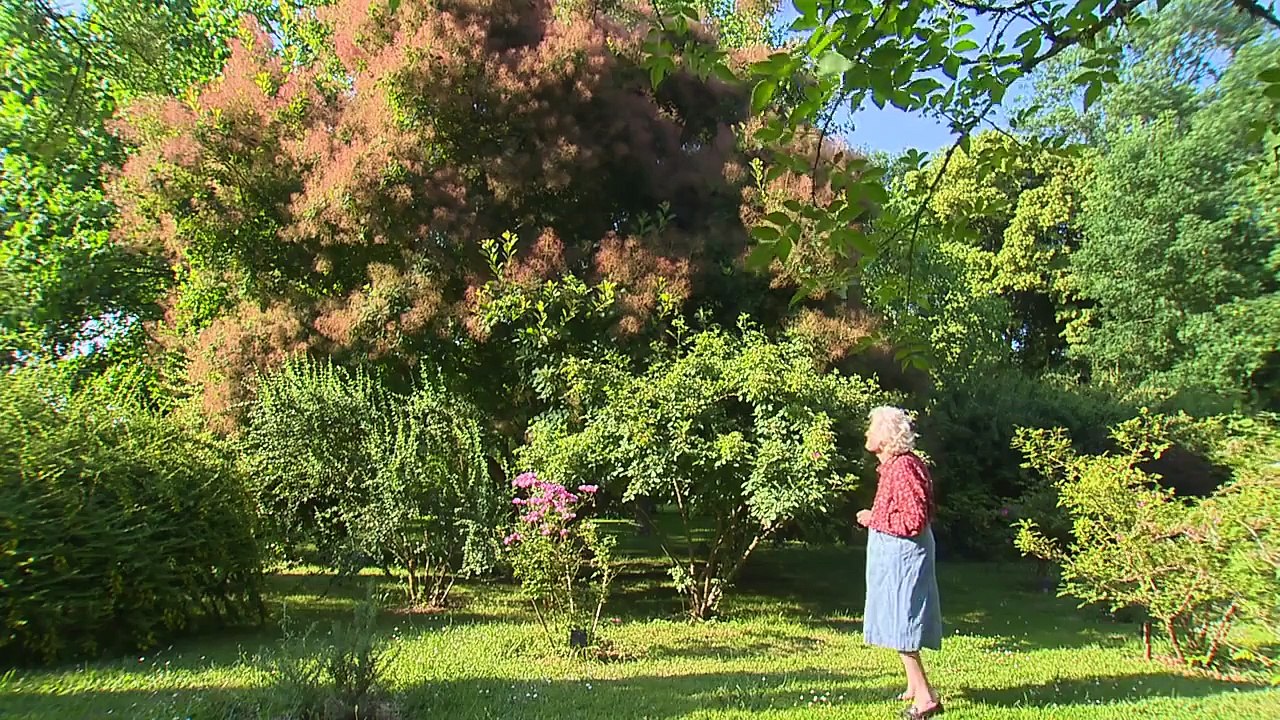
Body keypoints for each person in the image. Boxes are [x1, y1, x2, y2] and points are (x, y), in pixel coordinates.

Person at [855, 406, 944, 719]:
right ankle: (913, 685)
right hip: (896, 554)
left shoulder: (903, 467)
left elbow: (914, 520)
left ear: (886, 436)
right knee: (897, 618)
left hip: (904, 556)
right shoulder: (895, 466)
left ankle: (925, 698)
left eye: (873, 428)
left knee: (902, 622)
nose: (868, 433)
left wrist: (873, 518)